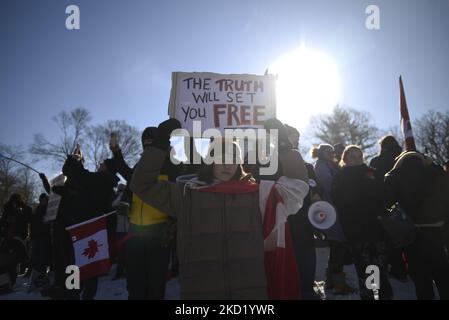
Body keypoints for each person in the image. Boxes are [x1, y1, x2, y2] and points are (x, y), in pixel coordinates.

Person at [130, 119, 310, 299]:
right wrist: (159, 145)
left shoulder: (258, 194)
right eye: (220, 157)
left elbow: (298, 187)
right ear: (210, 161)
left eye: (233, 158)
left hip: (250, 295)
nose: (227, 164)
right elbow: (142, 185)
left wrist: (284, 147)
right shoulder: (187, 194)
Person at [110, 127, 175, 300]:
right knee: (135, 283)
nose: (147, 147)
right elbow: (124, 170)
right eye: (144, 144)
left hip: (160, 233)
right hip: (135, 233)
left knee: (155, 284)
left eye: (151, 143)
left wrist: (172, 224)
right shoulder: (139, 167)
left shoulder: (170, 165)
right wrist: (116, 151)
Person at [331, 145, 393, 300]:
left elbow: (385, 197)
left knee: (380, 271)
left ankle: (384, 296)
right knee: (365, 272)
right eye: (352, 157)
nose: (357, 160)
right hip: (356, 232)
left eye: (359, 156)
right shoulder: (340, 177)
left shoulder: (372, 173)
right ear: (345, 160)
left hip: (377, 230)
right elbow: (341, 202)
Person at [385, 151, 449, 299]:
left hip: (411, 234)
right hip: (436, 230)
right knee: (443, 277)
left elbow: (387, 202)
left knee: (421, 281)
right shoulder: (436, 173)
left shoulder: (394, 176)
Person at [312, 144, 355, 295]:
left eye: (332, 151)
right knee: (338, 245)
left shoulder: (333, 165)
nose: (331, 153)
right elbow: (329, 184)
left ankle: (331, 281)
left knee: (338, 246)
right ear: (321, 153)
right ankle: (338, 284)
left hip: (338, 208)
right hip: (330, 210)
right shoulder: (321, 165)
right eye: (327, 151)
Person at [285, 124, 321, 299]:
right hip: (284, 217)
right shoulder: (271, 160)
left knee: (305, 252)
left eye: (298, 138)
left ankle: (306, 289)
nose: (297, 141)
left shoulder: (307, 165)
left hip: (304, 217)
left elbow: (315, 186)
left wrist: (317, 196)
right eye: (294, 137)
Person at [369, 135, 407, 281]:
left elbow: (374, 184)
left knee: (391, 237)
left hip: (385, 204)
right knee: (409, 235)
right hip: (406, 202)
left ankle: (398, 269)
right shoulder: (405, 158)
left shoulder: (376, 161)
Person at [29, 193, 52, 289]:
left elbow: (49, 223)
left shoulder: (49, 210)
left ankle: (42, 274)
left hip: (44, 236)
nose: (43, 202)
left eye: (44, 200)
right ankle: (37, 274)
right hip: (36, 236)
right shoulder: (37, 210)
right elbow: (33, 223)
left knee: (43, 256)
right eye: (41, 200)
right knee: (35, 256)